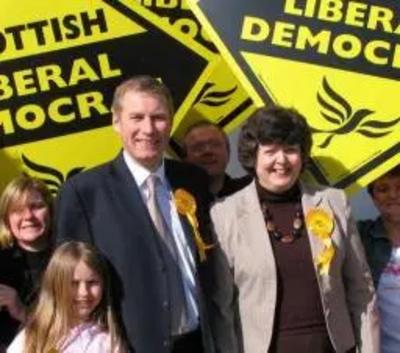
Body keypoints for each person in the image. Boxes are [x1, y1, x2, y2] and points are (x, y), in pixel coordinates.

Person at [54, 76, 216, 353]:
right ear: (116, 122)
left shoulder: (194, 181)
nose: (148, 129)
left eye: (158, 117)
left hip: (199, 343)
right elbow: (68, 287)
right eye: (136, 117)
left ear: (171, 122)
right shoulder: (84, 192)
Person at [209, 106, 379, 353]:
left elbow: (361, 290)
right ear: (252, 156)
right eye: (270, 151)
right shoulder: (224, 214)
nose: (281, 160)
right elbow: (221, 308)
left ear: (303, 155)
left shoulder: (334, 202)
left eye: (290, 150)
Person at [7, 241, 126, 353]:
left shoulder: (108, 343)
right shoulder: (32, 337)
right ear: (55, 286)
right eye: (74, 283)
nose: (84, 292)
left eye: (92, 282)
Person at [0, 175, 53, 351]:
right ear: (7, 219)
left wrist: (21, 311)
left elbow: (79, 329)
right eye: (17, 210)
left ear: (51, 211)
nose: (28, 216)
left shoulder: (69, 259)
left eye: (37, 206)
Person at [358, 165, 400, 353]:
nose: (393, 195)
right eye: (383, 189)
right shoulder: (360, 237)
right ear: (372, 196)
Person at [182, 121, 251, 198]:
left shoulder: (252, 191)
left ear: (228, 152)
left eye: (215, 144)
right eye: (198, 147)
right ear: (185, 159)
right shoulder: (173, 204)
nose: (207, 151)